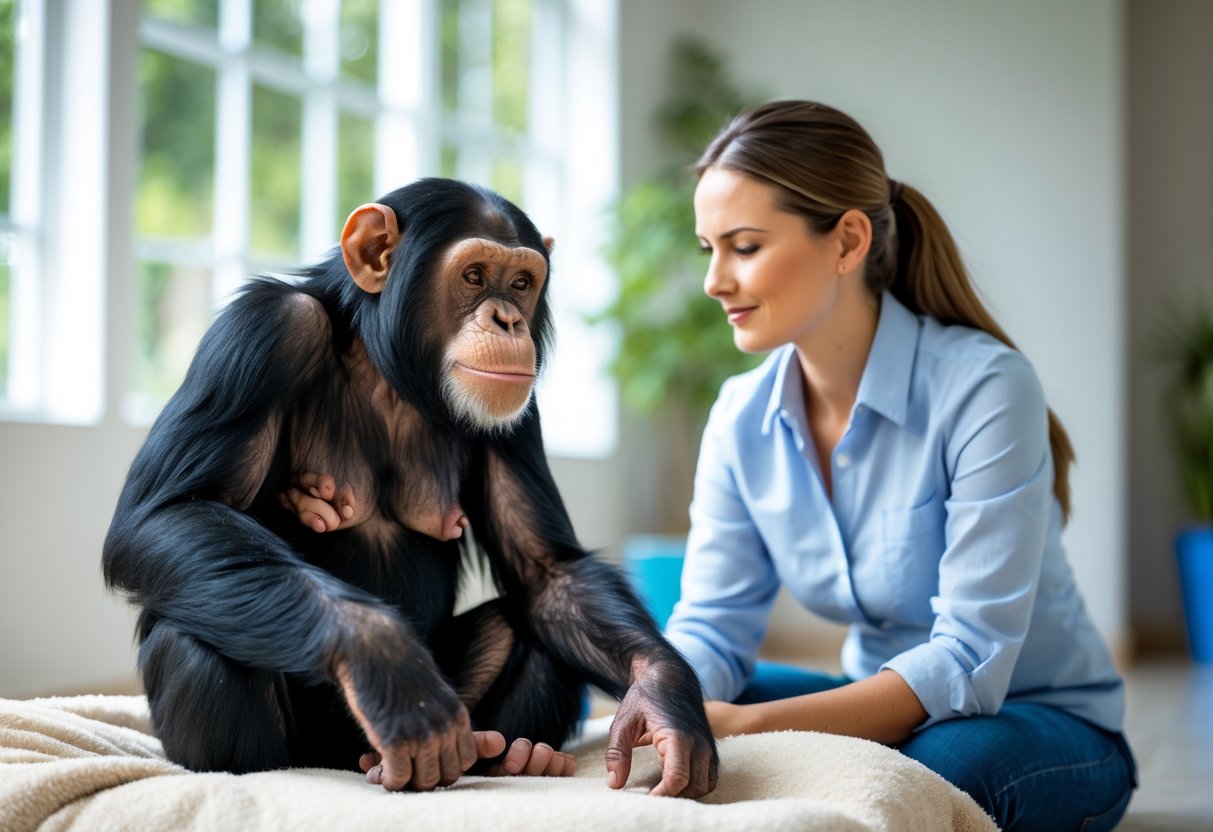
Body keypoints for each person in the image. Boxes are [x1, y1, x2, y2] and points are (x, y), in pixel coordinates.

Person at [663, 100, 1136, 831]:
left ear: (847, 240)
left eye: (745, 246)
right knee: (671, 701)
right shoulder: (737, 416)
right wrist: (667, 700)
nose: (714, 281)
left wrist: (743, 731)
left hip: (1034, 719)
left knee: (933, 773)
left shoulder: (983, 386)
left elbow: (969, 658)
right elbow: (712, 623)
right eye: (708, 249)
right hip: (889, 706)